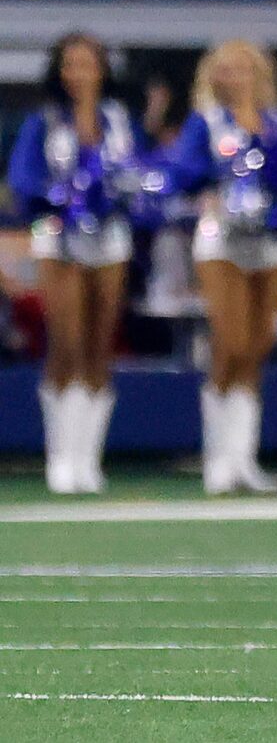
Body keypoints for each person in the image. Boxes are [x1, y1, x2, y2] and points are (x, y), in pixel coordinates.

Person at [160, 40, 277, 494]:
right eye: (226, 70)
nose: (235, 78)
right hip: (221, 238)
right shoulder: (205, 121)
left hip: (269, 239)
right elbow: (182, 173)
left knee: (258, 345)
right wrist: (207, 190)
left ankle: (244, 459)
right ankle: (217, 459)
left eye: (244, 69)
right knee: (231, 340)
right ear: (213, 77)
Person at [7, 33, 138, 493]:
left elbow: (136, 174)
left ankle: (88, 459)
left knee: (101, 344)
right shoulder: (42, 121)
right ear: (60, 72)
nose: (80, 73)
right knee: (65, 339)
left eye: (88, 64)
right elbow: (23, 179)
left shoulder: (119, 120)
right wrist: (58, 201)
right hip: (53, 231)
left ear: (102, 70)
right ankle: (60, 458)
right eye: (71, 64)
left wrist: (127, 194)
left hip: (110, 234)